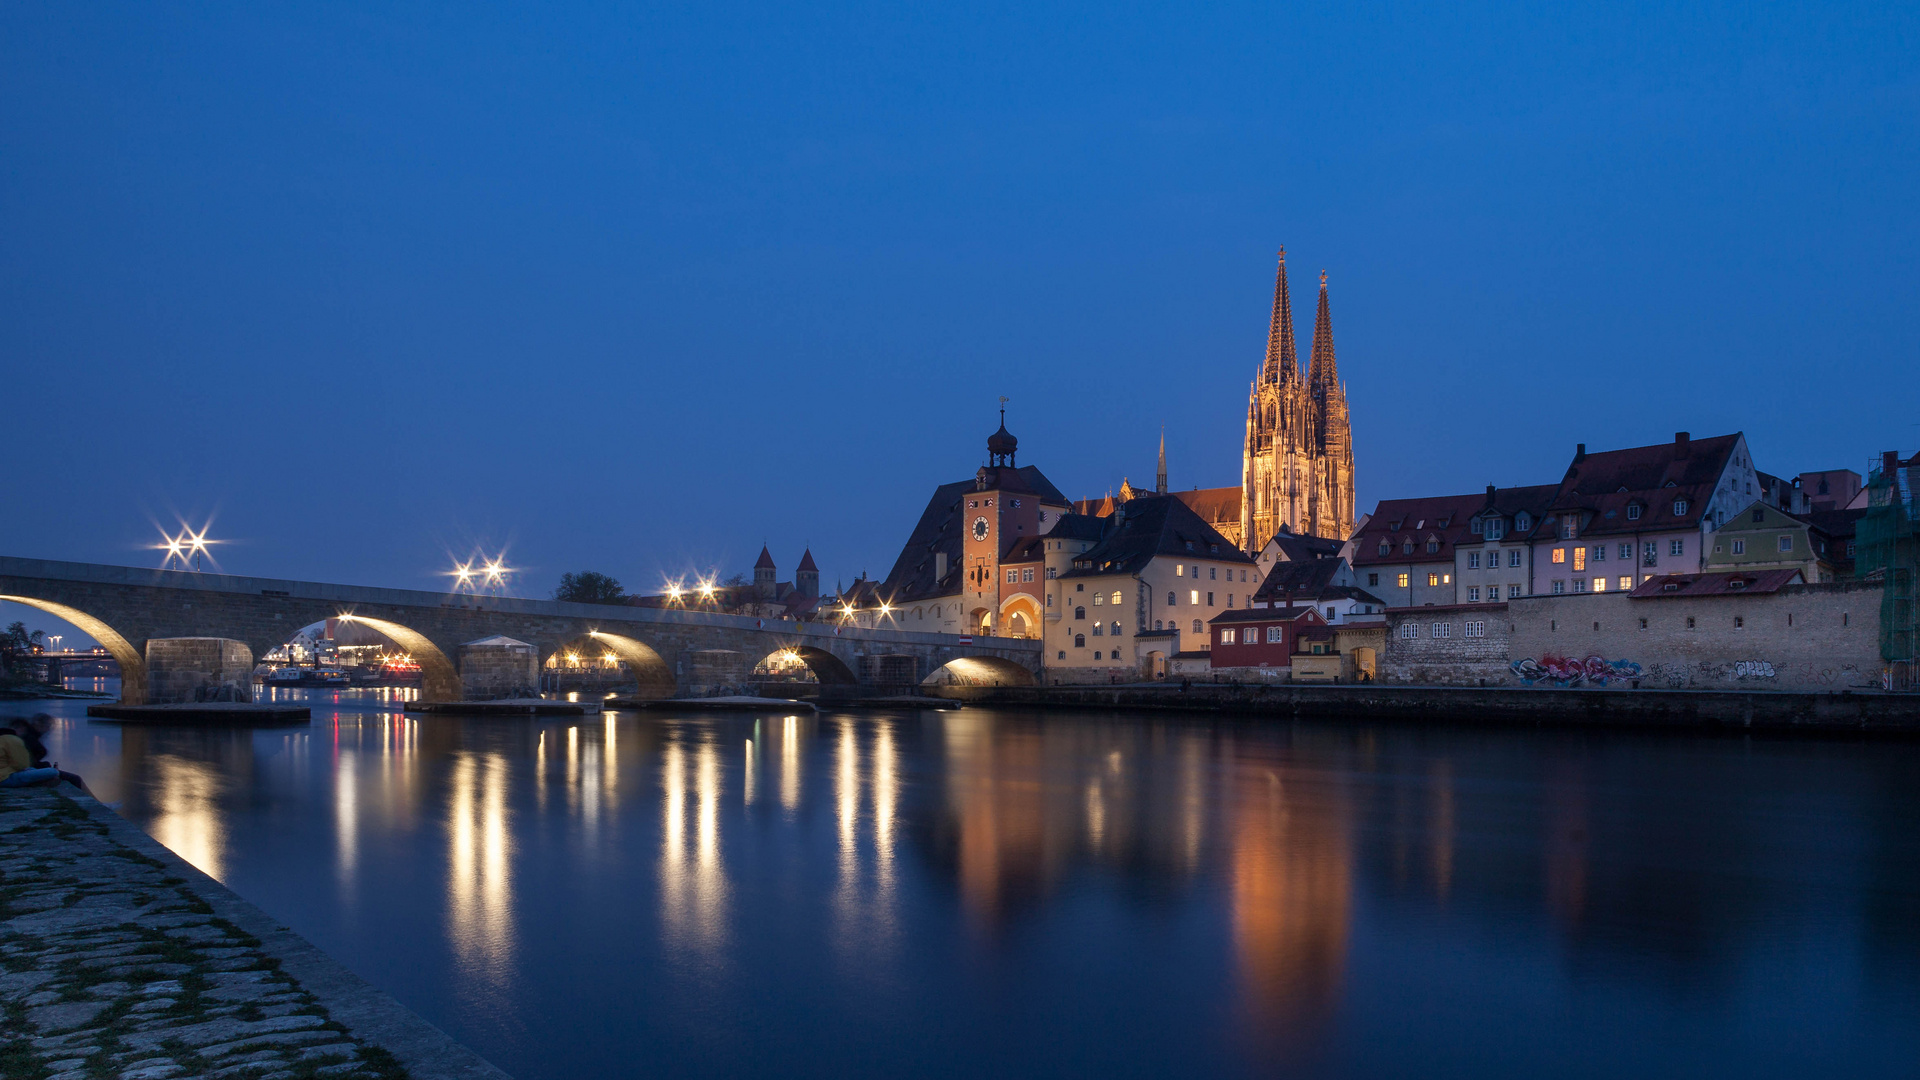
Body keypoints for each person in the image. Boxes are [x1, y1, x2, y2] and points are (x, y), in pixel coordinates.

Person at [10, 715, 88, 794]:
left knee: (73, 778)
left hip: (27, 770)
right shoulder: (29, 738)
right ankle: (92, 800)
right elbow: (26, 761)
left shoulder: (30, 736)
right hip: (24, 772)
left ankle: (93, 800)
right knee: (75, 778)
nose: (49, 729)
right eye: (48, 726)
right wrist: (43, 766)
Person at [0, 718, 60, 789]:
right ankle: (44, 780)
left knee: (32, 769)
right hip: (4, 779)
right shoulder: (13, 740)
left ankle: (41, 781)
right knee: (53, 771)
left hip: (4, 773)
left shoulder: (3, 739)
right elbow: (21, 765)